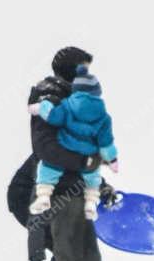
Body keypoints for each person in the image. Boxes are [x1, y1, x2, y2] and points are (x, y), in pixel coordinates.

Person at [22, 47, 107, 261]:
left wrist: (102, 184)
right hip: (60, 191)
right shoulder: (49, 100)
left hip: (81, 190)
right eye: (83, 68)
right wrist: (83, 164)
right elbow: (46, 149)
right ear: (71, 69)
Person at [28, 62, 117, 221]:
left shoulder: (67, 106)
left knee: (48, 169)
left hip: (66, 148)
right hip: (88, 156)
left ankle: (43, 196)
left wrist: (40, 107)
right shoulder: (103, 116)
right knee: (92, 179)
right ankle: (91, 203)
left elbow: (53, 116)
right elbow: (106, 142)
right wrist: (112, 159)